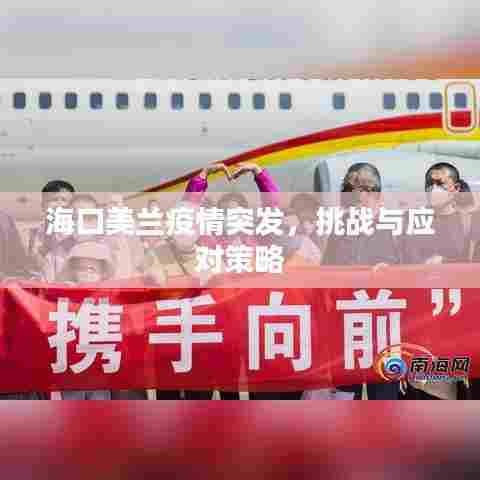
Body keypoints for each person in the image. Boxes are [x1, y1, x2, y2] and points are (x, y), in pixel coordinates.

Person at [321, 163, 401, 400]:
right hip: (346, 327)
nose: (357, 197)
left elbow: (413, 270)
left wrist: (392, 271)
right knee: (345, 398)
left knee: (384, 400)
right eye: (350, 190)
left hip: (384, 328)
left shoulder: (396, 228)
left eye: (365, 190)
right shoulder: (339, 230)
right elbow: (325, 273)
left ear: (378, 195)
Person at [401, 162, 472, 400]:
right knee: (418, 393)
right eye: (429, 184)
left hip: (456, 321)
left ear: (456, 188)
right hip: (420, 323)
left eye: (440, 183)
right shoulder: (414, 221)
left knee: (450, 395)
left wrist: (447, 264)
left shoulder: (468, 223)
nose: (433, 189)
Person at [54, 241, 115, 400]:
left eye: (92, 269)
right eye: (81, 268)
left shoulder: (111, 297)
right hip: (71, 370)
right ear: (73, 271)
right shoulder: (60, 296)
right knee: (71, 409)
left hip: (99, 369)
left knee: (100, 408)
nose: (87, 273)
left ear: (102, 273)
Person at [28, 180, 75, 274]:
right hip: (45, 277)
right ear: (43, 206)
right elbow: (35, 261)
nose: (59, 204)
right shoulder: (37, 233)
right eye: (53, 199)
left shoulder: (76, 231)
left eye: (64, 200)